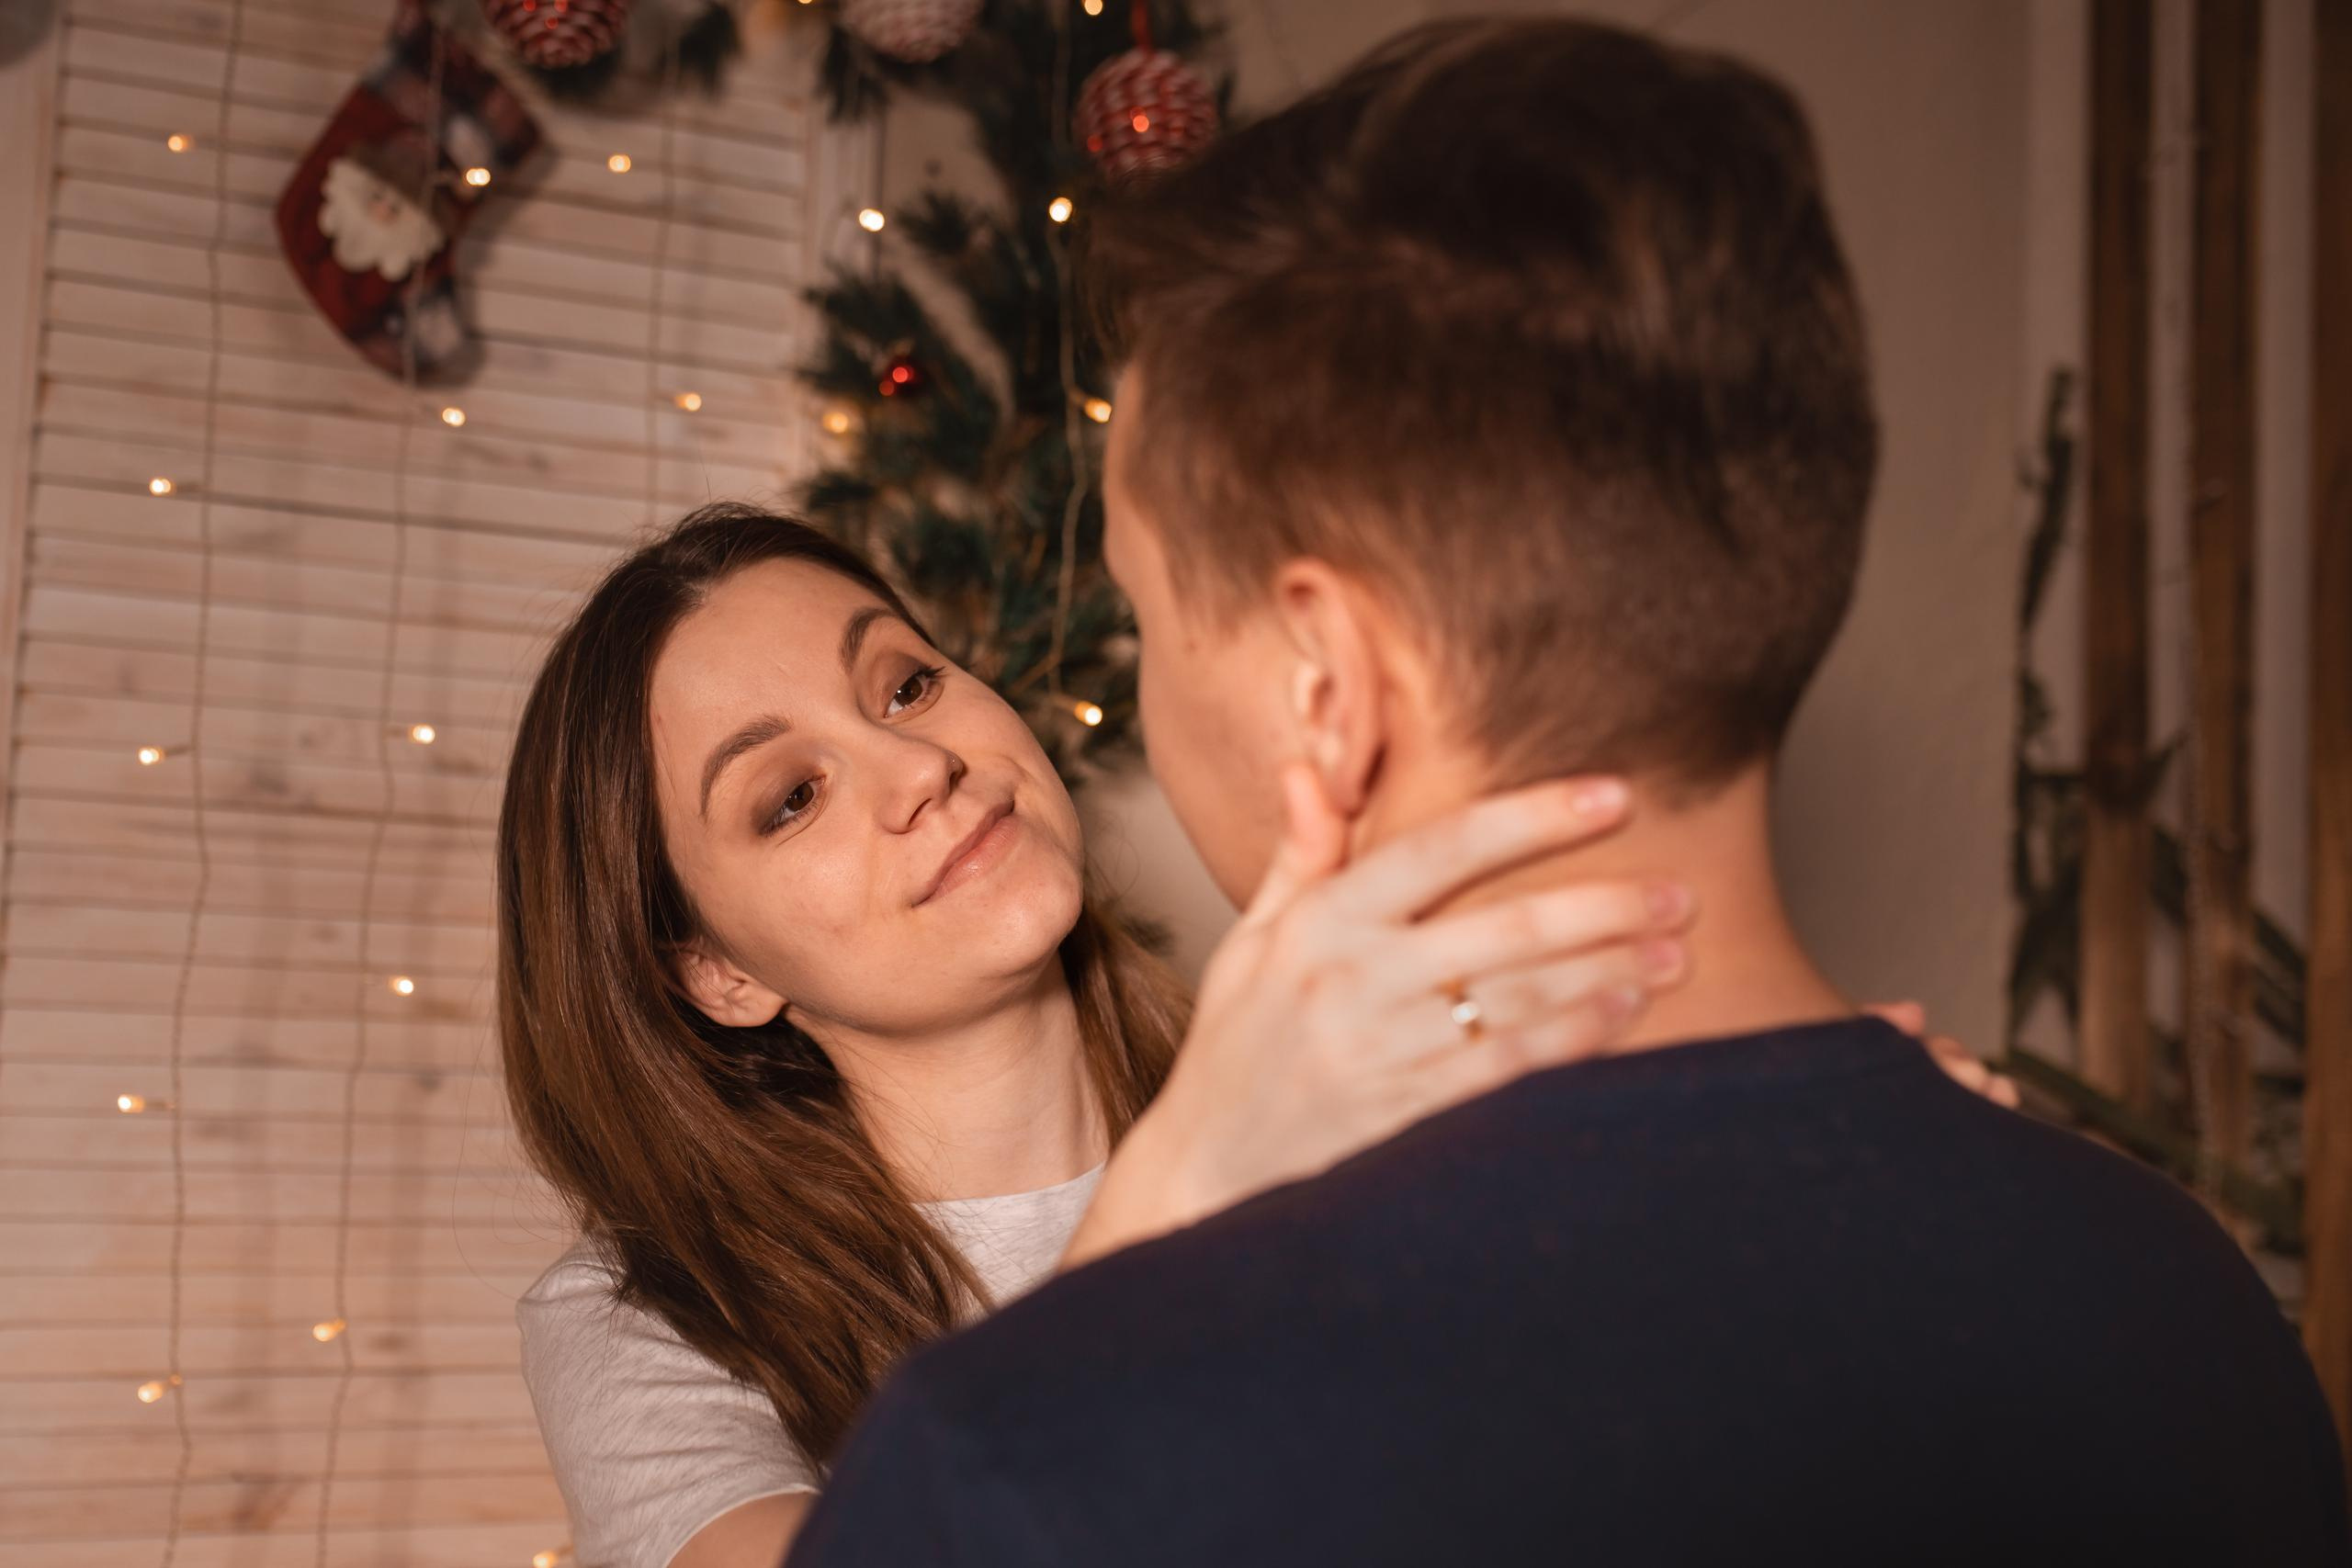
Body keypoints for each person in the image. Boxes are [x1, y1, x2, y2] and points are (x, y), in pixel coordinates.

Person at [783, 17, 2350, 1565]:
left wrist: (1112, 1288)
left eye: (1149, 615)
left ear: (1325, 685)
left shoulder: (1035, 1463)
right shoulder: (2176, 1290)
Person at [504, 506, 1760, 1568]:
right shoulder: (644, 1321)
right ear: (717, 975)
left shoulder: (1360, 1136)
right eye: (791, 797)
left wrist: (1823, 1150)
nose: (917, 766)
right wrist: (1183, 1199)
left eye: (906, 682)